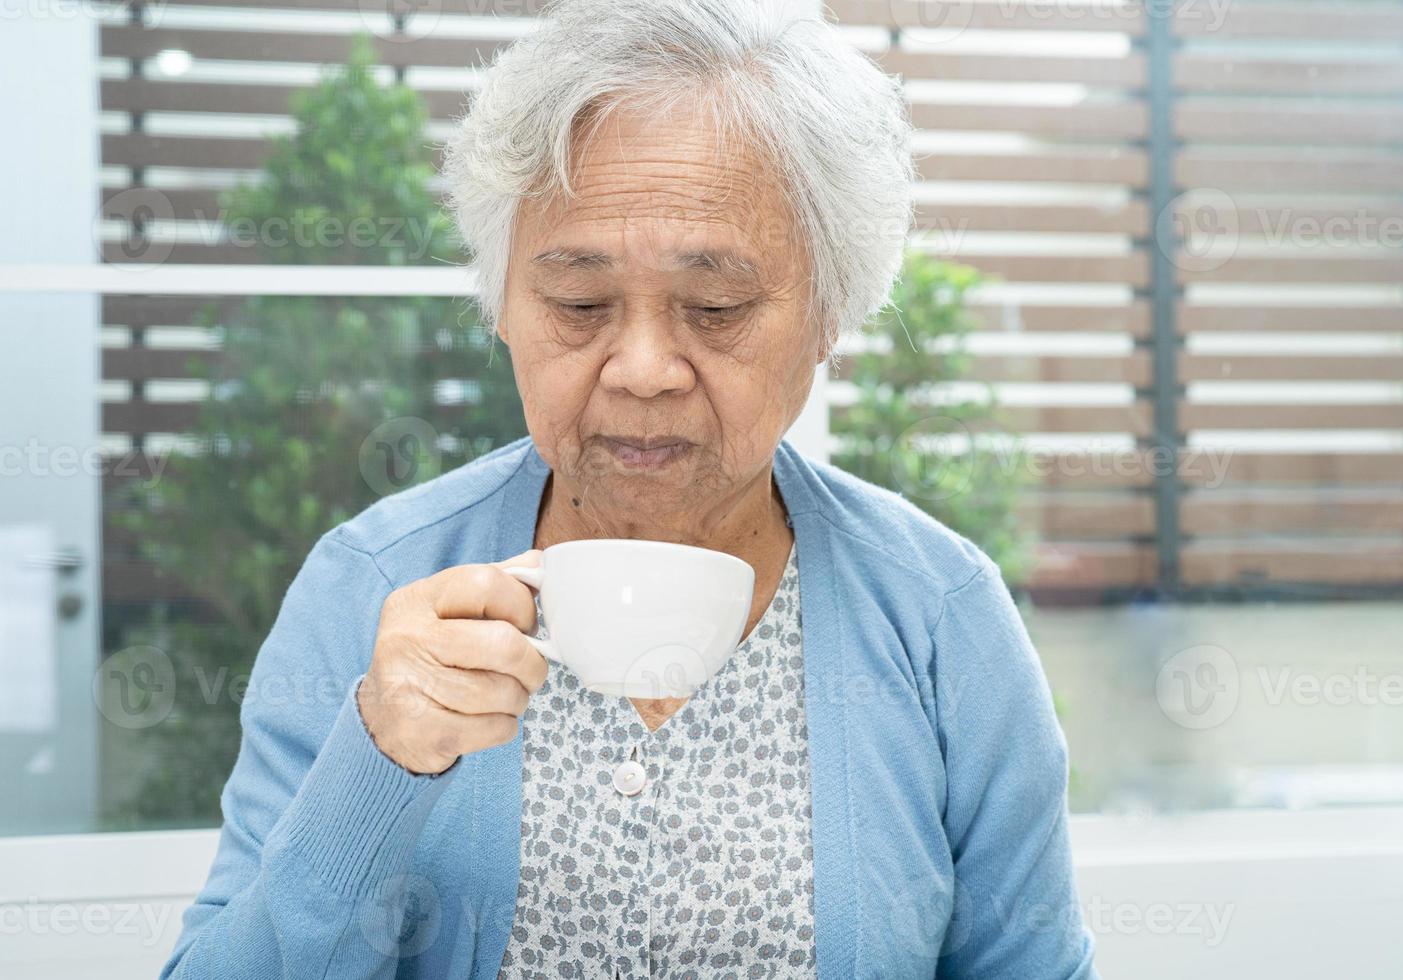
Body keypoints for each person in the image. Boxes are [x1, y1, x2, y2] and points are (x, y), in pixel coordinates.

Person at [161, 0, 1097, 976]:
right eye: (578, 302)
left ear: (828, 314)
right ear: (504, 305)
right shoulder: (371, 584)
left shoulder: (941, 615)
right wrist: (379, 760)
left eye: (716, 305)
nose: (643, 367)